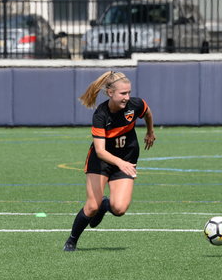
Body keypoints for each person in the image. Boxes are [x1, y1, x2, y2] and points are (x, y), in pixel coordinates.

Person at [63, 71, 156, 252]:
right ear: (110, 93)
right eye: (123, 93)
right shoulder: (101, 114)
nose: (127, 97)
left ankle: (105, 205)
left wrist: (150, 132)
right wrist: (120, 163)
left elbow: (148, 113)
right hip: (101, 161)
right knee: (92, 206)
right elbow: (100, 151)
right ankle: (72, 240)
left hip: (127, 158)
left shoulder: (135, 105)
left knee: (119, 209)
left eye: (129, 92)